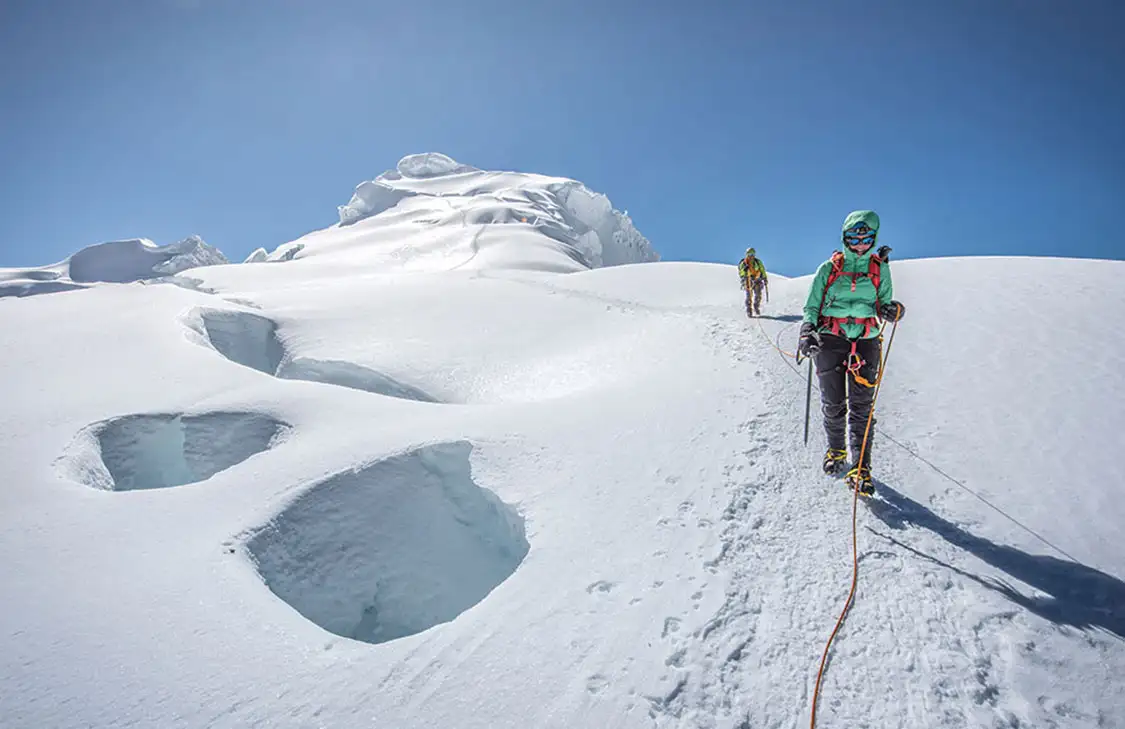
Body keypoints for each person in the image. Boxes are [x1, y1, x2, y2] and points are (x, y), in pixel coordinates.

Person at [797, 210, 905, 496]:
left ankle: (861, 467)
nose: (860, 243)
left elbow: (884, 302)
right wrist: (807, 330)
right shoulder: (828, 269)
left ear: (874, 238)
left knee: (862, 407)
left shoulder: (880, 269)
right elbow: (811, 306)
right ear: (845, 237)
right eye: (854, 237)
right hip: (830, 338)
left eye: (866, 237)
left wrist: (890, 310)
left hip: (867, 340)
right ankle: (836, 451)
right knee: (833, 403)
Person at [738, 247, 769, 317]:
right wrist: (744, 273)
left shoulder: (758, 262)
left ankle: (756, 306)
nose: (751, 256)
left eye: (753, 254)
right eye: (749, 254)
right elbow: (741, 272)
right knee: (749, 295)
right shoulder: (744, 263)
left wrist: (765, 278)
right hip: (748, 279)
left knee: (758, 294)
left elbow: (762, 270)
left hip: (757, 279)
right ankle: (749, 310)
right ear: (747, 254)